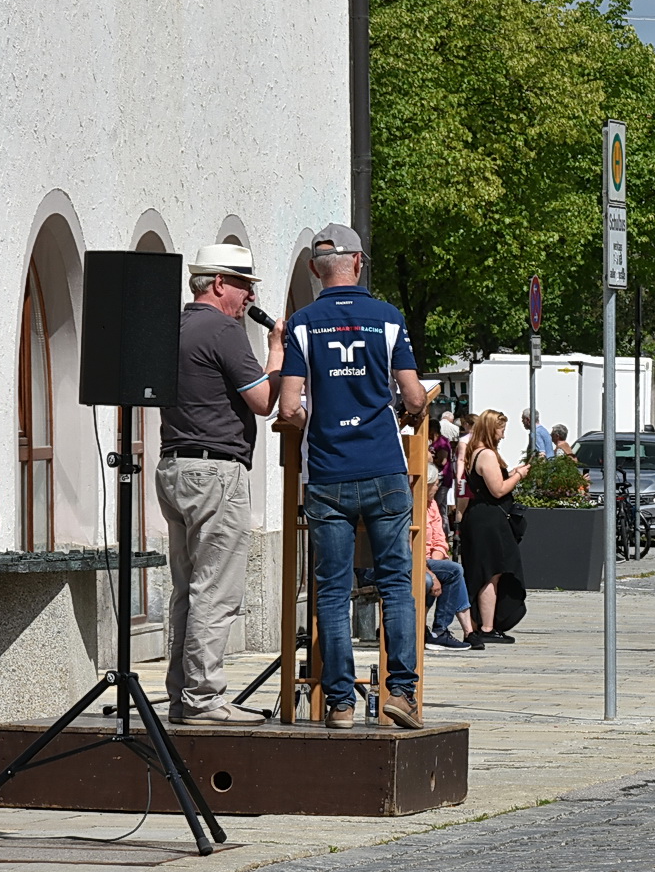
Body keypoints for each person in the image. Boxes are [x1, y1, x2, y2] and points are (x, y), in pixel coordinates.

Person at [279, 224, 428, 730]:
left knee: (332, 591)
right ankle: (402, 694)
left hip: (327, 471)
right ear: (359, 263)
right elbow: (410, 397)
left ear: (315, 270)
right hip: (384, 467)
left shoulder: (302, 323)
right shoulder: (387, 319)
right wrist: (418, 403)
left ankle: (340, 704)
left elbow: (290, 405)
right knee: (395, 585)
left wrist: (309, 418)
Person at [156, 244, 284, 727]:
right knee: (215, 592)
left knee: (188, 590)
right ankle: (204, 699)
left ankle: (182, 696)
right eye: (244, 285)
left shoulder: (175, 327)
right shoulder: (224, 331)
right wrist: (275, 352)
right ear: (217, 284)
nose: (249, 295)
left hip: (174, 467)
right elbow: (264, 401)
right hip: (215, 470)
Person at [460, 409, 529, 641]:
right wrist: (519, 475)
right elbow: (498, 489)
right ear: (491, 429)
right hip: (488, 520)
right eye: (501, 430)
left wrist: (511, 473)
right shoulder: (487, 454)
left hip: (479, 517)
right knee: (491, 572)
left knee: (482, 571)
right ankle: (487, 627)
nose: (503, 436)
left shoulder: (474, 452)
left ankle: (480, 624)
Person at [424, 466, 477, 651]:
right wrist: (432, 569)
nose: (438, 487)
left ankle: (464, 630)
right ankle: (444, 630)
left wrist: (435, 561)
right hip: (415, 561)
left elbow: (440, 540)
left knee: (450, 569)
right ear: (426, 485)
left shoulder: (432, 506)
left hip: (429, 560)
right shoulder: (412, 506)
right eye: (435, 484)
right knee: (454, 571)